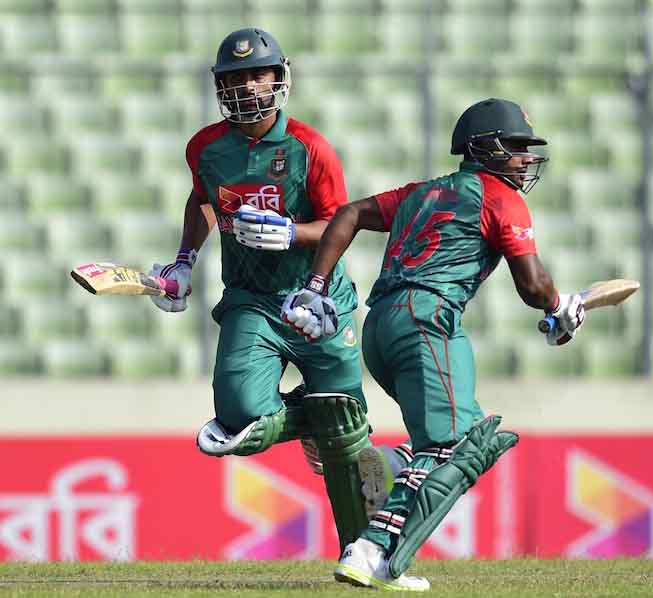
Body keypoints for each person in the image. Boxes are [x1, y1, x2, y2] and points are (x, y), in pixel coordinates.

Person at [281, 98, 586, 590]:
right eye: (515, 147)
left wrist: (315, 286)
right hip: (429, 319)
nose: (525, 158)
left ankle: (387, 467)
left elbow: (351, 212)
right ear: (482, 147)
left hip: (380, 326)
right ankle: (373, 550)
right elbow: (532, 285)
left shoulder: (422, 192)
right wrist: (558, 307)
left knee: (449, 441)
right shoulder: (500, 196)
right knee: (456, 447)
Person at [148, 27, 390, 551]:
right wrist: (184, 262)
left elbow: (338, 224)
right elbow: (202, 200)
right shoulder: (206, 148)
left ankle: (365, 557)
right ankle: (322, 417)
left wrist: (290, 233)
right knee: (236, 418)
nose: (247, 86)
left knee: (346, 451)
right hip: (252, 301)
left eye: (258, 74)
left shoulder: (311, 148)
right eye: (234, 77)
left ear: (279, 78)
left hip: (318, 301)